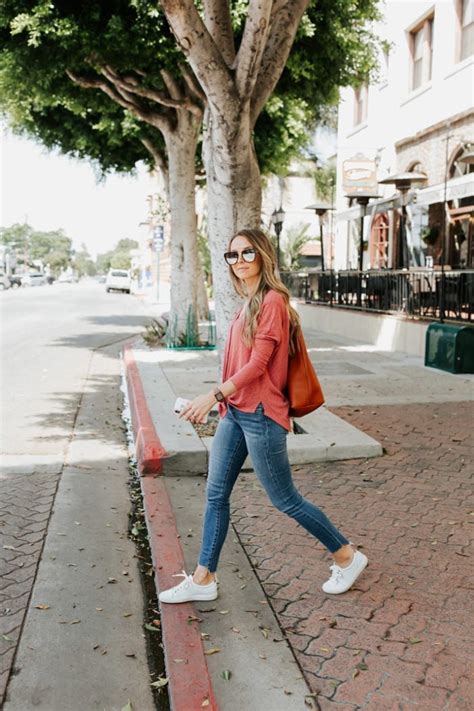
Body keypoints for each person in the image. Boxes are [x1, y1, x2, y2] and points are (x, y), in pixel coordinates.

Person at [159, 228, 368, 603]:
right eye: (232, 255)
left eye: (247, 254)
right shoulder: (250, 301)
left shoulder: (272, 301)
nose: (239, 261)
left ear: (263, 256)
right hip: (236, 413)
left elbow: (258, 365)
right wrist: (221, 400)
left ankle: (347, 555)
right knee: (216, 493)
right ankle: (204, 578)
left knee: (285, 499)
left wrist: (213, 394)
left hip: (260, 415)